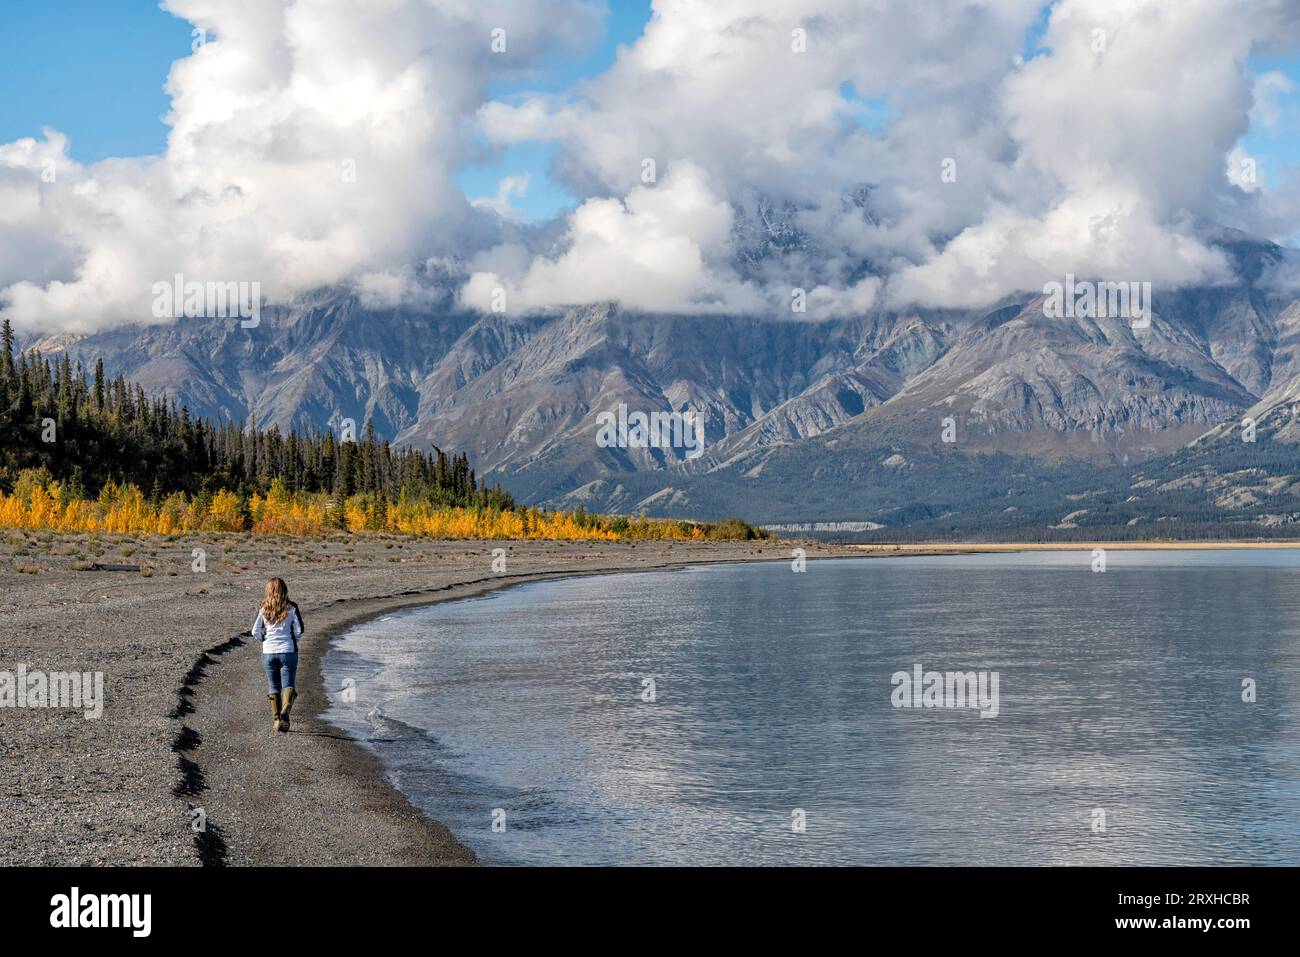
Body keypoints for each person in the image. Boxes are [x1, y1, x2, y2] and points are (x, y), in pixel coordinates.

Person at [251, 578, 304, 733]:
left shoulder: (263, 608)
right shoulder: (291, 607)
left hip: (268, 651)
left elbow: (255, 631)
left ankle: (277, 720)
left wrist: (264, 639)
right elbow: (299, 630)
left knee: (273, 686)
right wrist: (292, 639)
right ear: (284, 590)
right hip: (288, 650)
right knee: (288, 685)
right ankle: (286, 708)